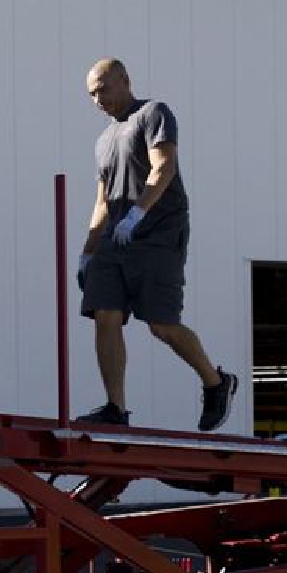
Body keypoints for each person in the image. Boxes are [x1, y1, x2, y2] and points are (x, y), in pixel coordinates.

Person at [76, 58, 238, 431]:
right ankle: (116, 409)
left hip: (158, 234)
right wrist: (87, 251)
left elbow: (162, 167)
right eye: (91, 94)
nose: (99, 99)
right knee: (105, 315)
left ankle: (216, 382)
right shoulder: (103, 141)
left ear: (124, 80)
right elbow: (101, 200)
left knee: (161, 325)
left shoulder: (153, 113)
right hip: (115, 239)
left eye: (103, 88)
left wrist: (137, 214)